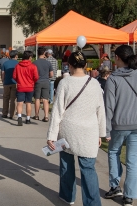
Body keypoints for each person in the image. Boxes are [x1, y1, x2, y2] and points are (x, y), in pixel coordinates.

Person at [47, 51, 105, 206]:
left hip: (68, 129)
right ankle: (93, 203)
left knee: (67, 165)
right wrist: (101, 133)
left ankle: (68, 196)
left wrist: (51, 135)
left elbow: (57, 111)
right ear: (85, 65)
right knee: (88, 169)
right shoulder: (95, 83)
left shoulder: (65, 83)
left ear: (70, 66)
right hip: (89, 131)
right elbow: (101, 110)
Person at [104, 45, 137, 206]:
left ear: (118, 58)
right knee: (133, 159)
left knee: (113, 152)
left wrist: (106, 129)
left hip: (120, 124)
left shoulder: (113, 79)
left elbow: (109, 106)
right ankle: (129, 195)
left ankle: (115, 185)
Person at [12, 51, 39, 126]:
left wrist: (19, 81)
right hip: (30, 87)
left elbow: (14, 76)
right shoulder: (33, 66)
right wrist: (32, 81)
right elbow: (36, 77)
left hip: (20, 86)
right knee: (28, 103)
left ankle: (19, 117)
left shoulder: (18, 66)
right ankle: (27, 119)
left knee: (19, 103)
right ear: (30, 57)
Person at [33, 47, 53, 122]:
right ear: (44, 53)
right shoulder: (48, 63)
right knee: (45, 99)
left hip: (37, 81)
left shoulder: (34, 63)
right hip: (46, 81)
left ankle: (37, 115)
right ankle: (46, 116)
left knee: (37, 99)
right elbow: (51, 74)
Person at [1, 50, 18, 119]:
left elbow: (3, 73)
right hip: (15, 83)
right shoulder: (18, 63)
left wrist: (3, 81)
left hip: (6, 83)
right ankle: (12, 115)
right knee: (13, 99)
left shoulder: (5, 63)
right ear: (16, 56)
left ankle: (4, 113)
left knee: (5, 98)